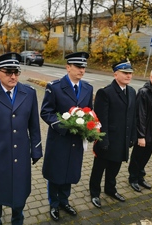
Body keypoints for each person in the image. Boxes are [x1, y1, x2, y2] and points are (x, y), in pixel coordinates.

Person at [0, 52, 42, 225]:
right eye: (8, 72)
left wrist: (36, 148)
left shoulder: (29, 93)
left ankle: (17, 220)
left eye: (16, 72)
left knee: (19, 193)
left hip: (22, 154)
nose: (13, 76)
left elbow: (34, 124)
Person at [40, 52, 93, 221]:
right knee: (56, 172)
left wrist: (89, 127)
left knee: (70, 171)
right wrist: (65, 126)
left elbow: (89, 112)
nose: (81, 70)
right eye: (78, 67)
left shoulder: (87, 88)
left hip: (76, 140)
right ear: (68, 67)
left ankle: (64, 200)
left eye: (83, 67)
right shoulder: (54, 86)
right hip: (59, 138)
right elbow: (46, 112)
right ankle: (54, 204)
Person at [89, 59, 137, 208]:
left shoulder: (132, 91)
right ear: (116, 74)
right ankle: (94, 193)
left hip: (122, 140)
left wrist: (133, 137)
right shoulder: (106, 92)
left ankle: (110, 189)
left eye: (130, 73)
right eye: (125, 73)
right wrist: (103, 140)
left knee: (115, 167)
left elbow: (132, 116)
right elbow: (101, 119)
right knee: (99, 168)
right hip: (108, 140)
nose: (128, 76)